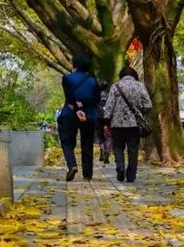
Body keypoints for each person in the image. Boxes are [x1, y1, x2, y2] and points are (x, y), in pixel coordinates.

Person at [104, 67, 152, 184]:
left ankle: (120, 167)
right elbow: (148, 105)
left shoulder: (115, 86)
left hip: (117, 124)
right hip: (134, 124)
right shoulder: (140, 86)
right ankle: (131, 175)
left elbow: (109, 106)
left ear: (121, 76)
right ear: (134, 75)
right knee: (133, 148)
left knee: (118, 147)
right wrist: (140, 111)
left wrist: (106, 123)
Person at [58, 54, 101, 182]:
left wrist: (76, 109)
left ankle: (72, 165)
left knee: (66, 141)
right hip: (89, 115)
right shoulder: (93, 81)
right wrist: (83, 107)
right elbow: (96, 100)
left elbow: (69, 97)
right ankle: (87, 175)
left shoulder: (67, 78)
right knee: (87, 144)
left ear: (74, 65)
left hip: (70, 113)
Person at [96, 81, 112, 164]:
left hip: (98, 117)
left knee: (100, 136)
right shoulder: (110, 95)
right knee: (109, 136)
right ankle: (107, 153)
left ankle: (102, 151)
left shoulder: (96, 95)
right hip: (108, 117)